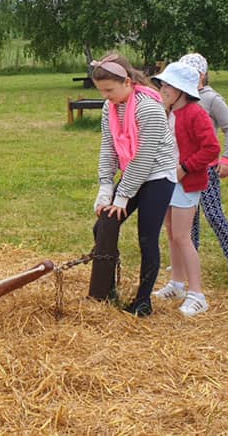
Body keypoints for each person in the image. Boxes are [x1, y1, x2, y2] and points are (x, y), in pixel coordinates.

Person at [87, 53, 177, 317]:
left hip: (158, 176)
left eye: (109, 90)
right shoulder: (110, 107)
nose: (106, 96)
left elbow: (145, 158)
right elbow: (109, 147)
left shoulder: (149, 108)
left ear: (127, 82)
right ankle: (108, 287)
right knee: (103, 225)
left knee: (147, 237)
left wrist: (122, 197)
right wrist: (105, 189)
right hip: (132, 173)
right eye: (101, 91)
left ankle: (143, 300)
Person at [151, 62, 220, 316]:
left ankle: (197, 294)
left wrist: (185, 168)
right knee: (171, 234)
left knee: (182, 236)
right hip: (168, 180)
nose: (163, 88)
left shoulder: (195, 113)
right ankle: (177, 284)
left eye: (169, 85)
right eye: (163, 84)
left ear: (182, 89)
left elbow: (211, 148)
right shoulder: (167, 111)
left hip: (185, 183)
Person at [177, 53, 228, 287]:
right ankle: (189, 259)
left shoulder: (211, 99)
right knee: (189, 219)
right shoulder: (181, 100)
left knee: (214, 214)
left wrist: (227, 159)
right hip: (183, 171)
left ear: (202, 75)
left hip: (206, 170)